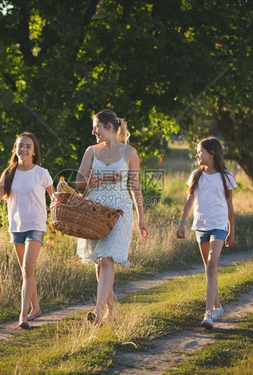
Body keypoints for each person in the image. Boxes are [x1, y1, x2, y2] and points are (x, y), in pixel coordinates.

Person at [76, 109, 149, 324]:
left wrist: (141, 219)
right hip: (94, 213)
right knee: (100, 263)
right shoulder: (91, 151)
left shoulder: (130, 153)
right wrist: (104, 178)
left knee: (107, 259)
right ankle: (111, 310)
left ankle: (97, 313)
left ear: (108, 127)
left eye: (96, 126)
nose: (93, 131)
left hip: (120, 213)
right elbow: (80, 183)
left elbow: (136, 188)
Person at [0, 132, 54, 330]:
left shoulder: (42, 173)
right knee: (26, 271)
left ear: (34, 151)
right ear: (15, 149)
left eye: (28, 146)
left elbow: (55, 199)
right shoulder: (9, 173)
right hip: (16, 227)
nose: (24, 150)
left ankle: (23, 317)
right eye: (20, 146)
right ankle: (35, 307)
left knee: (28, 269)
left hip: (36, 225)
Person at [176, 137, 236, 330]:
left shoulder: (226, 176)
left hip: (219, 225)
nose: (197, 155)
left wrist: (231, 230)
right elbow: (189, 201)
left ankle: (208, 314)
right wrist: (182, 223)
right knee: (209, 269)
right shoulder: (196, 175)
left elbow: (230, 206)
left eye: (200, 152)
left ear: (211, 154)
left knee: (211, 265)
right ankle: (217, 306)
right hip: (200, 226)